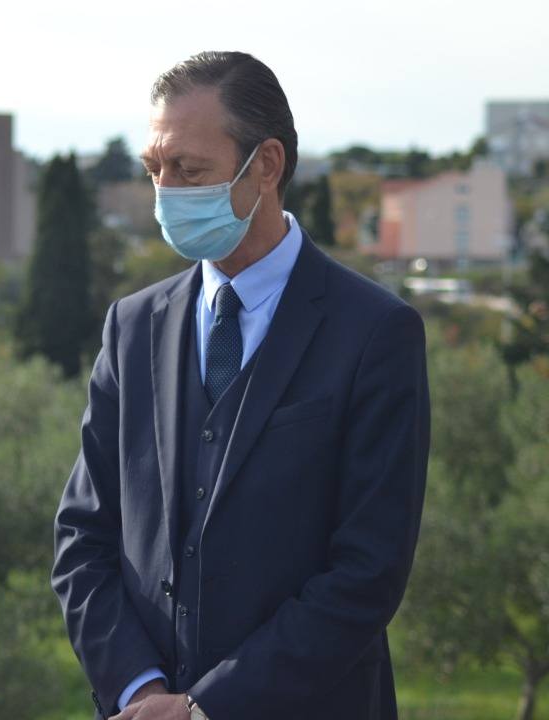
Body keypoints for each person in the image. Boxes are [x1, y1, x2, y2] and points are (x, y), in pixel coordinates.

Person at [51, 51, 429, 720]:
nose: (165, 191)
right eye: (155, 169)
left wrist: (206, 707)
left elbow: (367, 573)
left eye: (189, 169)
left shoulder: (375, 332)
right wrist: (141, 690)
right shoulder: (132, 326)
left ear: (267, 164)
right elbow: (83, 538)